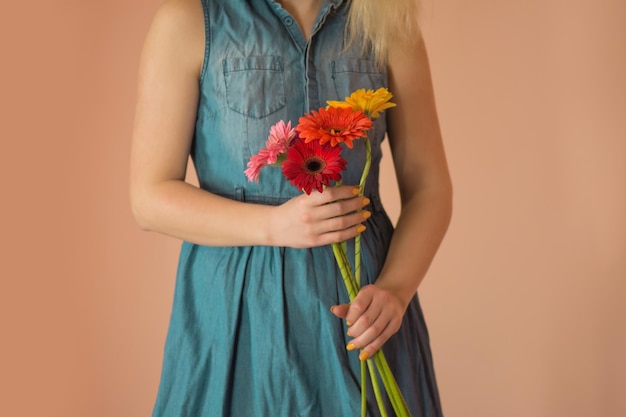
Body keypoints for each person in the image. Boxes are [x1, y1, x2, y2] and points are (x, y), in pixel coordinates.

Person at [130, 0, 452, 415]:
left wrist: (396, 289)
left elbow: (429, 185)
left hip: (365, 312)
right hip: (236, 317)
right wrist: (272, 226)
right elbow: (149, 198)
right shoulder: (189, 20)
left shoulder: (387, 21)